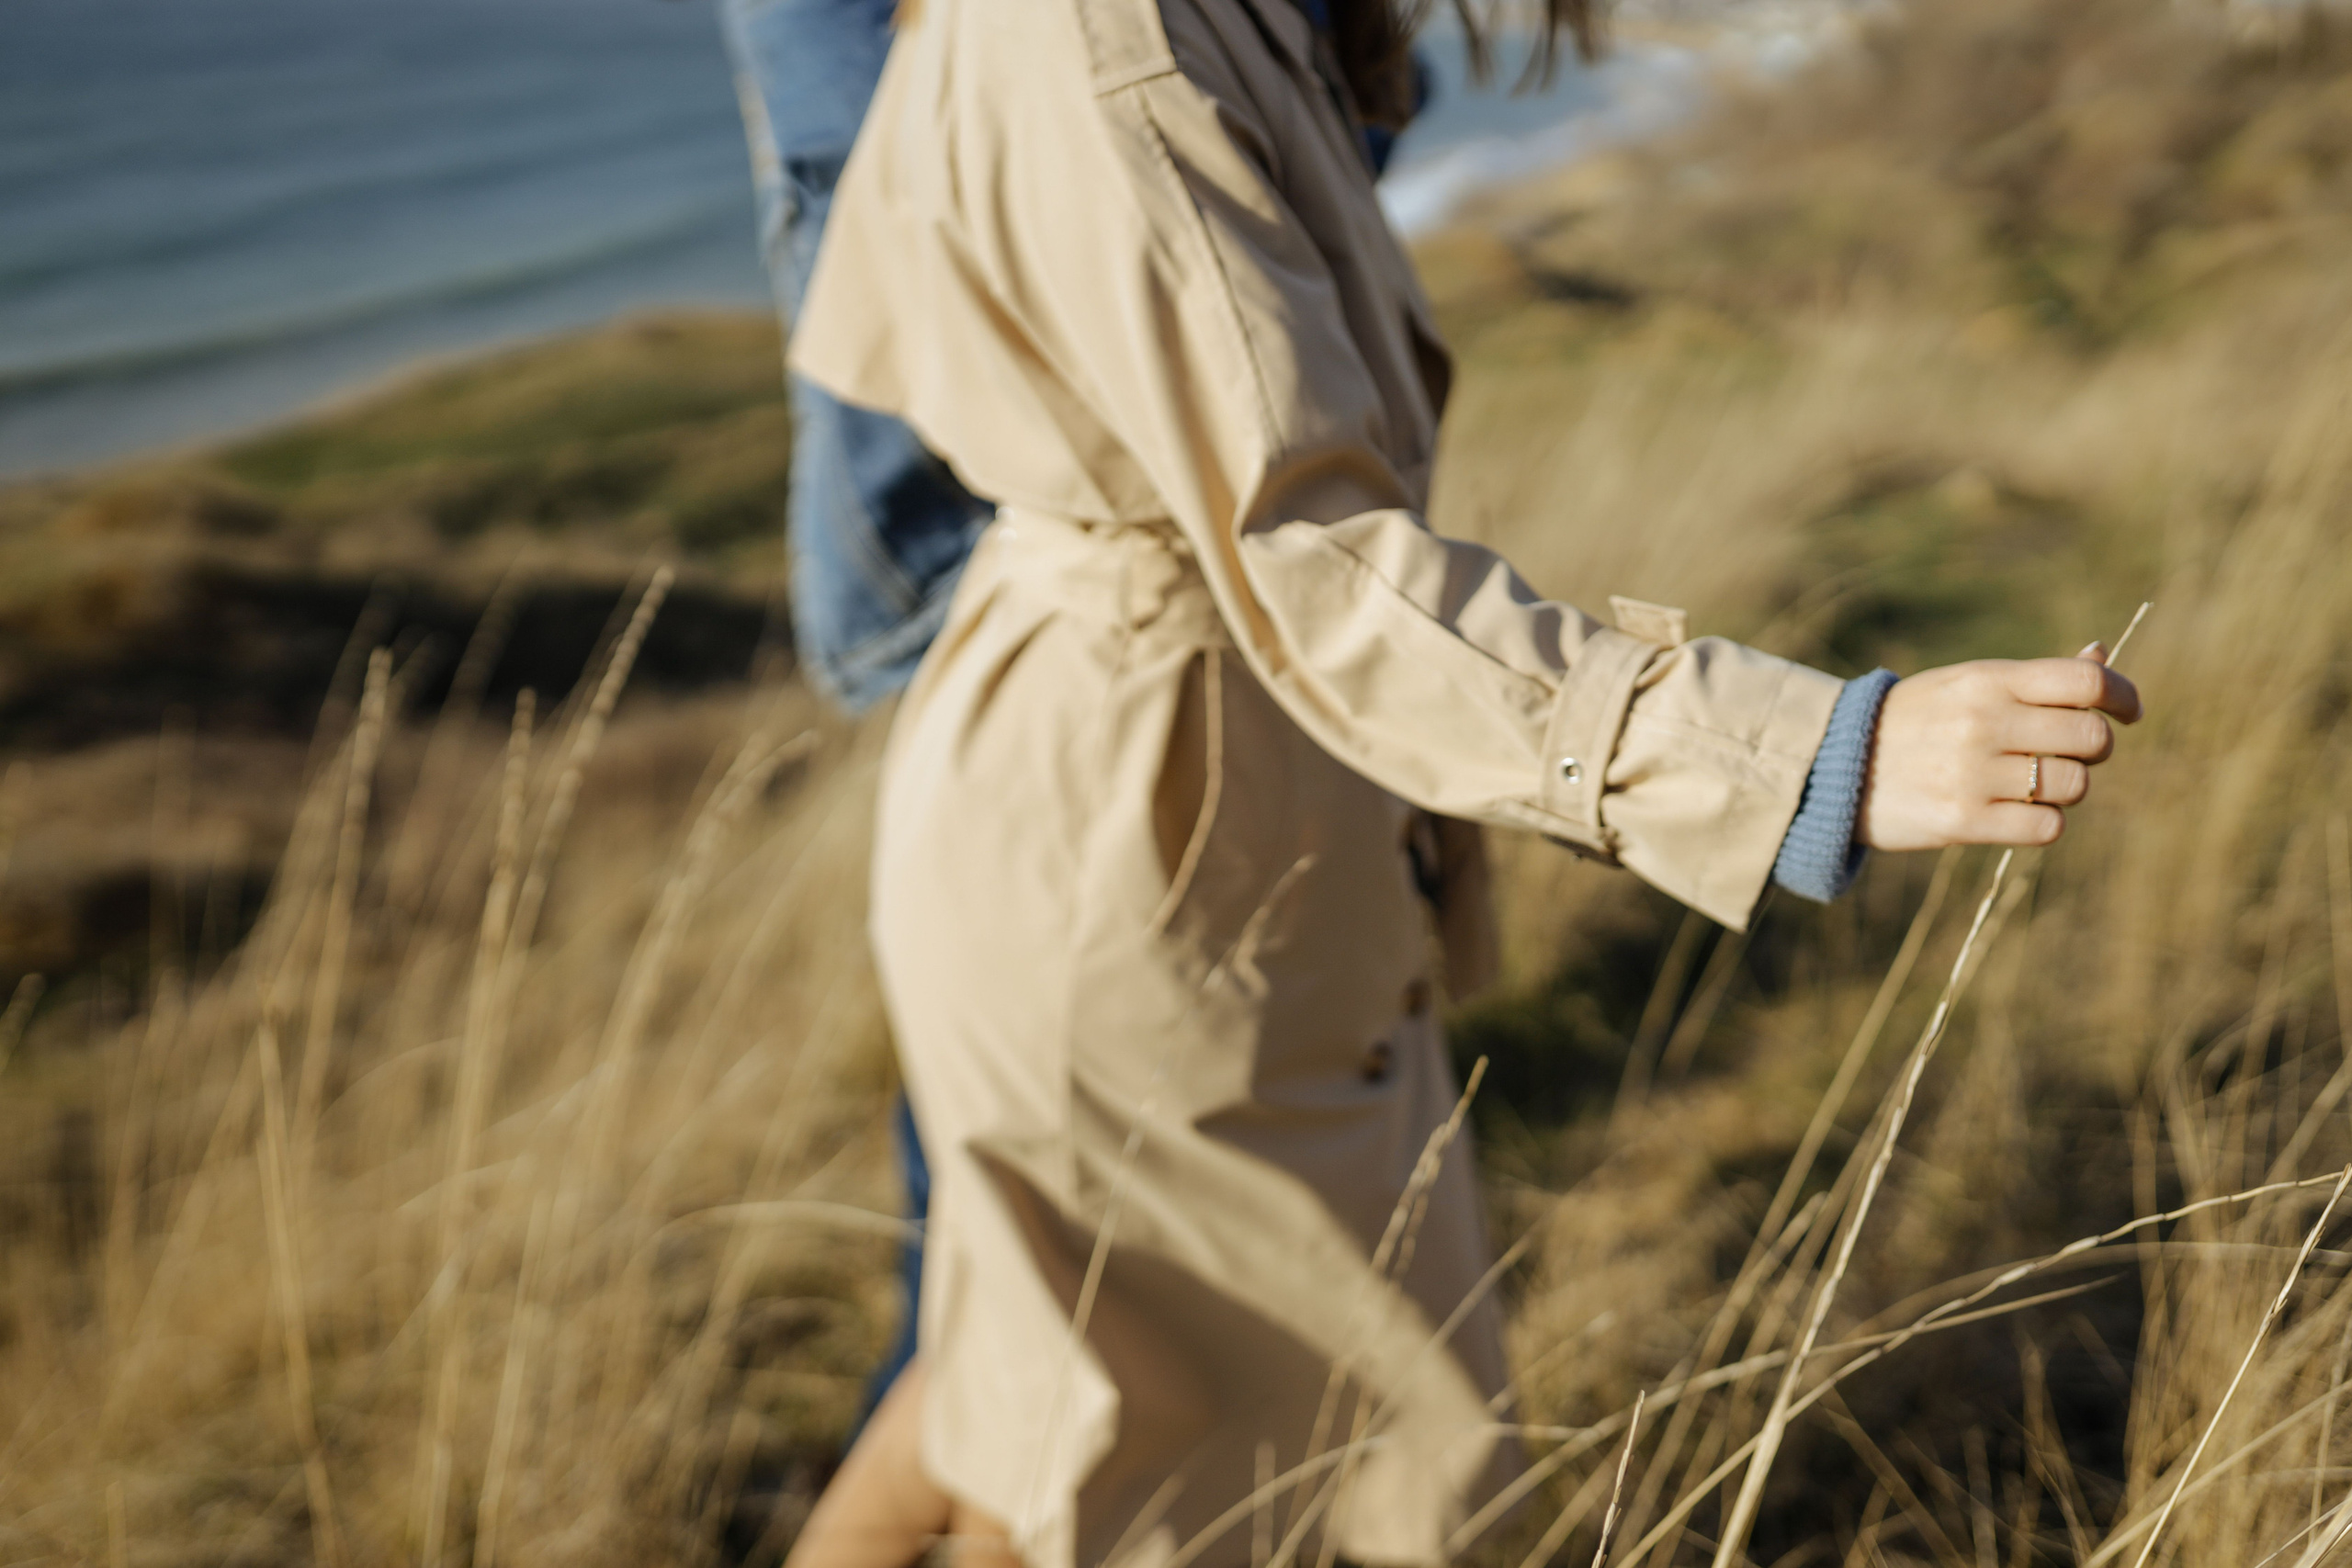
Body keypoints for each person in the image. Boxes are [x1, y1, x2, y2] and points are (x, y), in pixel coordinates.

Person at [777, 3, 2145, 1568]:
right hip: (1136, 854)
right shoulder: (1102, 33)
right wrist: (1806, 758)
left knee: (1046, 1385)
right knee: (1143, 1455)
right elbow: (1308, 558)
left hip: (1209, 818)